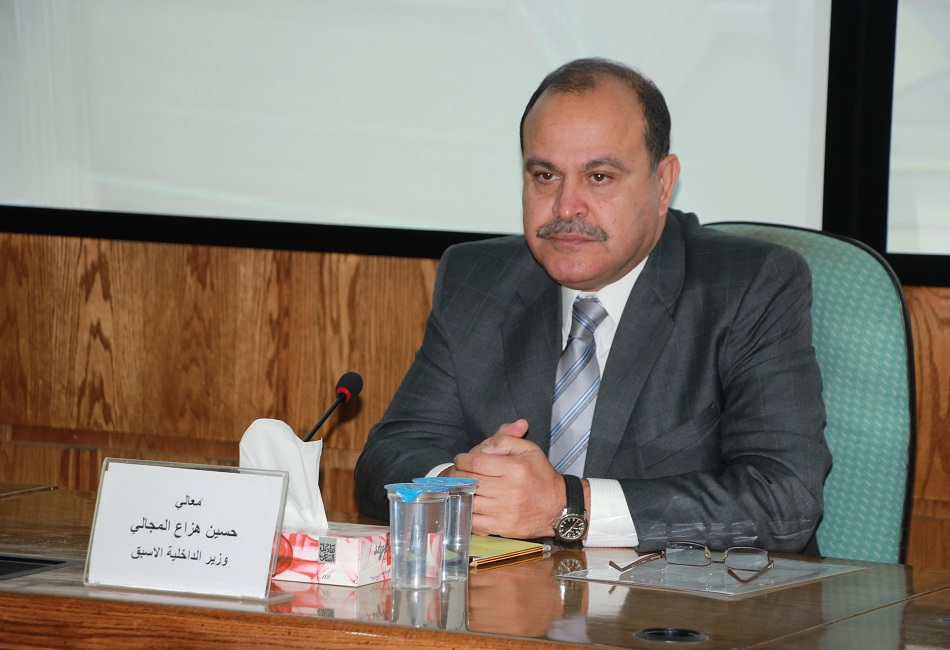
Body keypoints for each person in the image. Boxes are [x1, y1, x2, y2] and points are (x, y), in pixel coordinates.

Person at [355, 58, 830, 554]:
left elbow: (785, 499)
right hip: (513, 594)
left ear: (663, 183)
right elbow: (387, 459)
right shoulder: (477, 279)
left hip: (674, 598)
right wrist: (466, 489)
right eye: (545, 175)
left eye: (599, 176)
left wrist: (567, 507)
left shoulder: (749, 285)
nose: (566, 208)